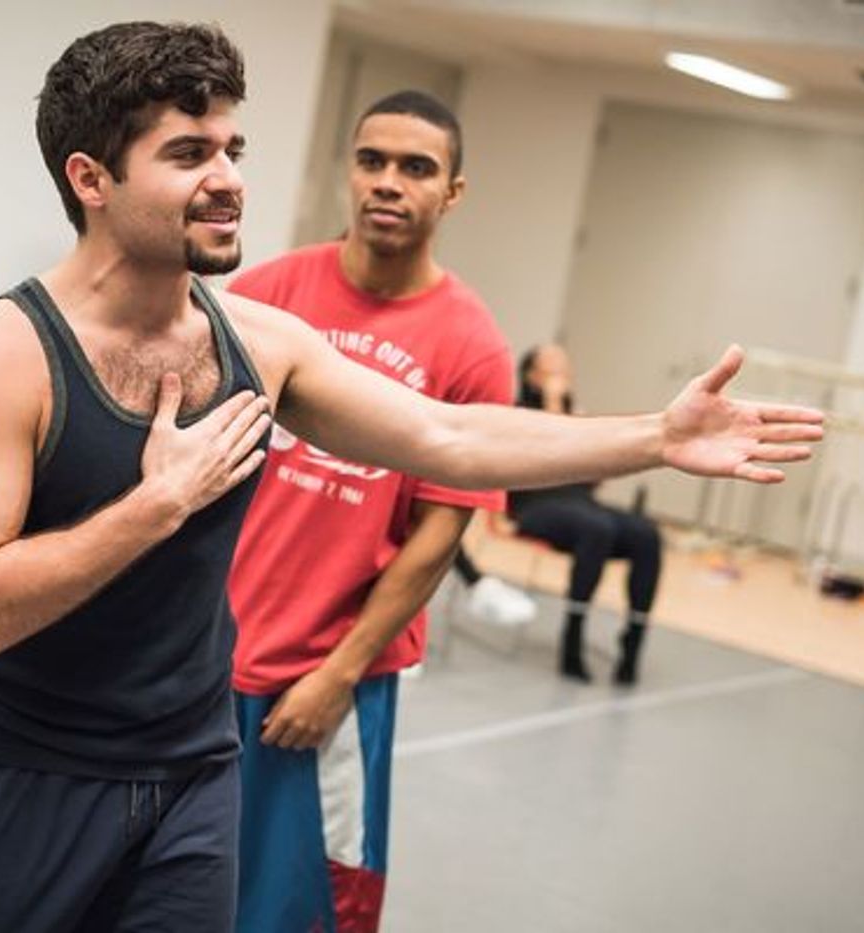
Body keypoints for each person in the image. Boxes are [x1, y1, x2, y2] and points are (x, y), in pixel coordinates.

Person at [0, 21, 824, 933]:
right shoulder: (1, 360)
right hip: (20, 778)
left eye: (234, 149)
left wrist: (656, 435)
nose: (228, 180)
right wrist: (156, 505)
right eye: (189, 154)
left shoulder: (260, 341)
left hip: (192, 775)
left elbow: (446, 438)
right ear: (91, 179)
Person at [224, 90, 515, 932]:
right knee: (177, 884)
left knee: (304, 905)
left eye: (416, 168)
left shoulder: (472, 343)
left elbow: (435, 541)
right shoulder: (269, 292)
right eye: (372, 161)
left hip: (327, 678)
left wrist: (339, 673)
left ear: (451, 192)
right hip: (210, 655)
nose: (388, 183)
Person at [459, 344, 665, 685]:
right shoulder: (518, 412)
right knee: (596, 529)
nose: (561, 374)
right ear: (531, 376)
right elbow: (551, 456)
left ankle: (633, 638)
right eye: (551, 367)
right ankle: (573, 637)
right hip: (534, 505)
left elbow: (592, 472)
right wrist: (556, 406)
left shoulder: (573, 414)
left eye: (564, 367)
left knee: (645, 533)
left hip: (578, 502)